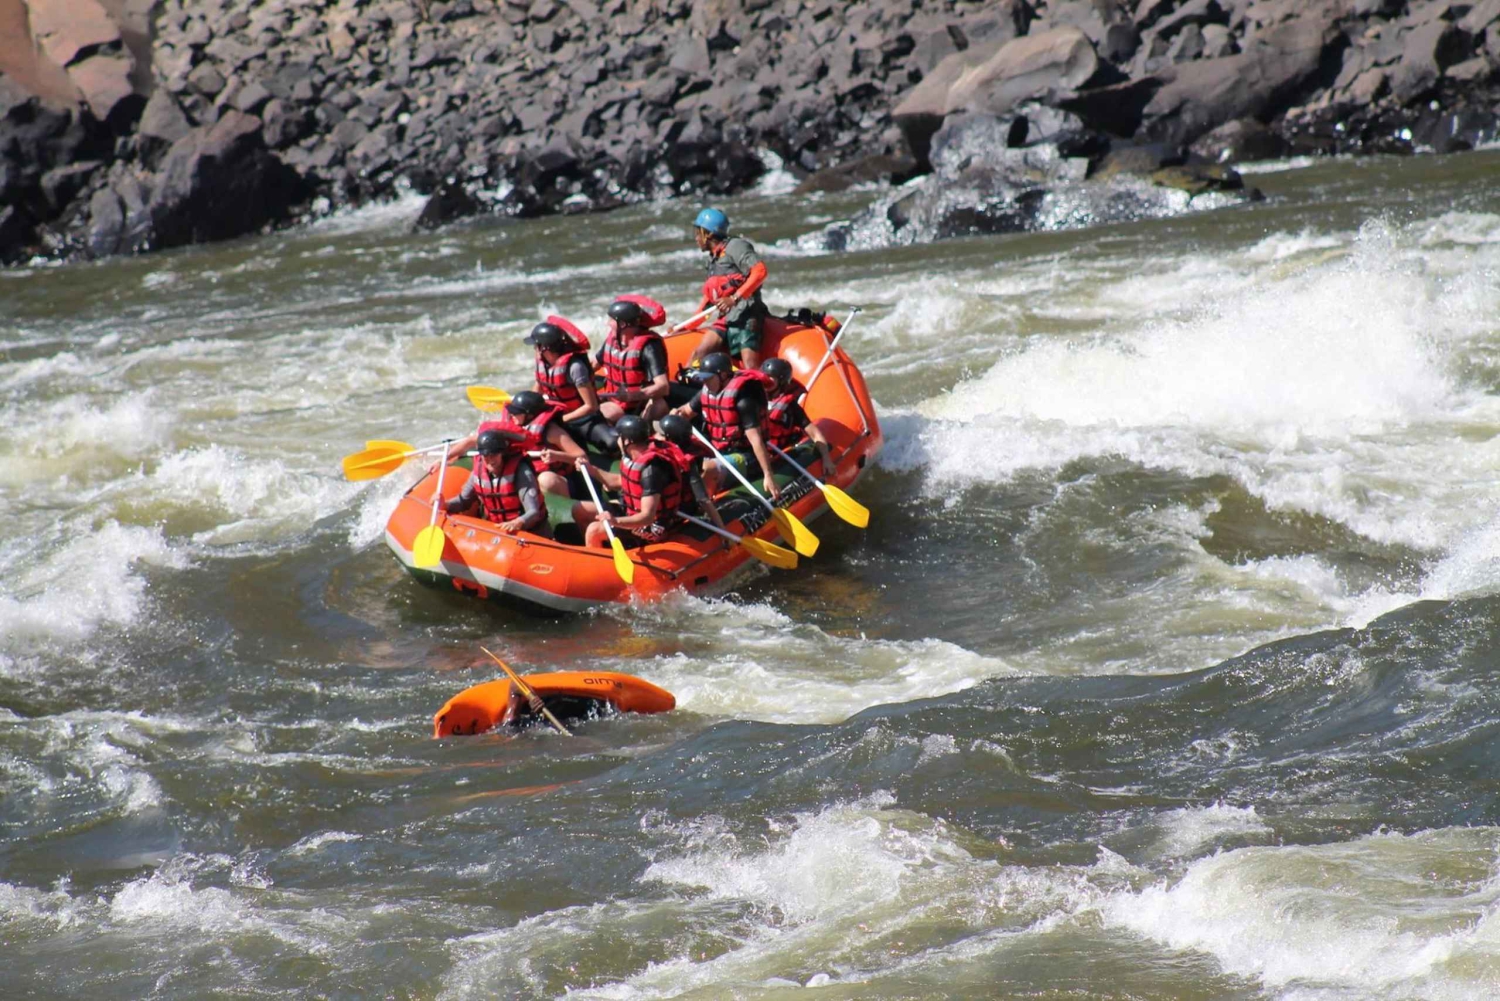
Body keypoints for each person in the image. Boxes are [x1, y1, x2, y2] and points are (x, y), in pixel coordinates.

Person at [435, 390, 583, 498]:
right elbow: (470, 441)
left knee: (547, 480)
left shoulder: (551, 432)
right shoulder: (511, 428)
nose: (511, 415)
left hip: (558, 481)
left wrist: (558, 456)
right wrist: (443, 460)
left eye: (516, 412)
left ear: (530, 415)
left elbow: (581, 456)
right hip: (524, 475)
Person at [672, 351, 780, 500]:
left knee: (709, 468)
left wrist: (768, 475)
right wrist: (674, 417)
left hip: (747, 455)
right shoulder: (708, 391)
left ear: (723, 376)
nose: (705, 383)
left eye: (708, 379)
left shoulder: (744, 398)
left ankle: (705, 507)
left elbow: (756, 440)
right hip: (719, 450)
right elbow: (686, 411)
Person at [572, 415, 691, 549]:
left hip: (654, 526)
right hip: (631, 512)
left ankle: (599, 565)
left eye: (619, 437)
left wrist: (615, 521)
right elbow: (617, 481)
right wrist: (590, 469)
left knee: (594, 530)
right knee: (579, 510)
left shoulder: (652, 470)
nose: (617, 440)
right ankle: (604, 550)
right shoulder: (632, 457)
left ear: (627, 441)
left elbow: (647, 516)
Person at [686, 208, 770, 371]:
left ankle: (759, 393)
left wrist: (734, 299)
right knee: (698, 354)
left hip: (747, 315)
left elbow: (760, 271)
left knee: (749, 365)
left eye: (698, 233)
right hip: (726, 319)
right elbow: (708, 301)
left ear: (708, 234)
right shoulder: (713, 260)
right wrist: (687, 326)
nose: (696, 238)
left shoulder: (736, 246)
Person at [444, 428, 551, 537]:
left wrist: (518, 522)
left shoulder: (521, 472)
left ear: (502, 453)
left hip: (530, 532)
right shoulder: (478, 472)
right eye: (486, 455)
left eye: (494, 454)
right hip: (497, 531)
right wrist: (445, 504)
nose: (490, 459)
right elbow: (463, 502)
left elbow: (533, 511)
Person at [528, 320, 613, 451]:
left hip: (584, 420)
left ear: (544, 348)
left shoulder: (575, 367)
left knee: (612, 444)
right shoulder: (543, 363)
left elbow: (591, 406)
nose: (534, 349)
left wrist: (563, 419)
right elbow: (538, 389)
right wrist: (528, 408)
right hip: (557, 419)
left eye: (536, 345)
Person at [597, 297, 671, 424]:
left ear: (622, 324)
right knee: (607, 411)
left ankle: (643, 432)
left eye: (611, 320)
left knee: (660, 405)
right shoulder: (613, 339)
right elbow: (593, 365)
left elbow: (663, 387)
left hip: (642, 404)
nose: (607, 323)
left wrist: (632, 395)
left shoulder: (649, 347)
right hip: (615, 401)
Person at [760, 357, 833, 472]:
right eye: (765, 376)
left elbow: (815, 434)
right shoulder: (752, 399)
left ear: (782, 381)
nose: (766, 381)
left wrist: (826, 458)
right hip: (754, 451)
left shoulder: (791, 407)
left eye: (771, 378)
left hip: (776, 454)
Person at [657, 413, 725, 529]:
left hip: (678, 511)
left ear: (669, 439)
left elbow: (703, 499)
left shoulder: (687, 464)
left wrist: (721, 528)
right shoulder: (658, 455)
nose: (656, 436)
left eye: (660, 434)